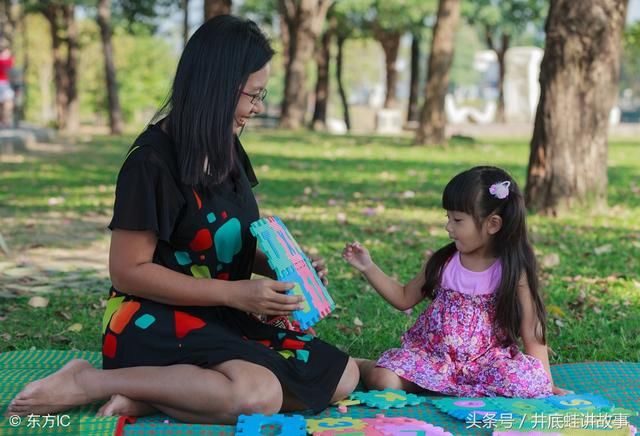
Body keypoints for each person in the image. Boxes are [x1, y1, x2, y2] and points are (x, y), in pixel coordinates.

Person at [7, 15, 358, 424]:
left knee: (341, 376)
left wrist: (285, 271)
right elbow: (127, 272)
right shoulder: (151, 163)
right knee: (256, 395)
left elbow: (223, 240)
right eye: (253, 95)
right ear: (220, 88)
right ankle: (90, 381)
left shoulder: (226, 149)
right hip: (152, 319)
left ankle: (152, 396)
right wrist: (234, 295)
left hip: (219, 314)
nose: (257, 109)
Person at [343, 166, 570, 398]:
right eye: (448, 217)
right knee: (384, 380)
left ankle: (451, 387)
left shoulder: (513, 270)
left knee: (524, 382)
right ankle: (361, 364)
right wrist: (368, 267)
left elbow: (532, 331)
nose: (448, 227)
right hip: (433, 360)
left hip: (486, 366)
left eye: (458, 219)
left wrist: (546, 384)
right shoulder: (444, 262)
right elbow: (404, 298)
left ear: (493, 224)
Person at [0, 44, 14, 128]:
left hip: (5, 83)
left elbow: (9, 71)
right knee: (3, 103)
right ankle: (3, 121)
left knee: (8, 102)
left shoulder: (9, 60)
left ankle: (6, 120)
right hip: (1, 83)